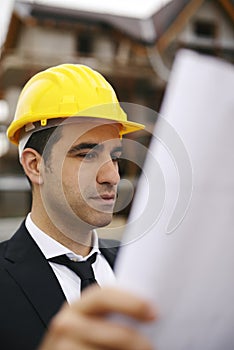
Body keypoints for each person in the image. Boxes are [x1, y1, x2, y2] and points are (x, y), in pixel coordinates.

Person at [0, 64, 156, 349]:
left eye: (115, 157)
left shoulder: (139, 270)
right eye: (87, 154)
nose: (112, 177)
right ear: (35, 166)